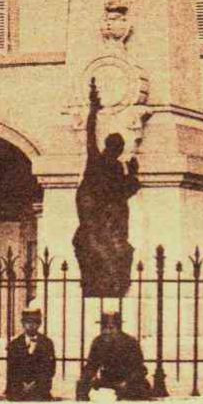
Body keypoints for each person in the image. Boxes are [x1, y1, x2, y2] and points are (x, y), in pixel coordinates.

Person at [73, 78, 141, 297]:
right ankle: (103, 283)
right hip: (97, 216)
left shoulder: (112, 165)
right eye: (115, 147)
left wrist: (132, 174)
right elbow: (90, 134)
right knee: (101, 249)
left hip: (109, 217)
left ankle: (110, 283)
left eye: (117, 148)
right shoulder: (98, 160)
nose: (116, 151)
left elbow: (125, 192)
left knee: (117, 250)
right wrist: (93, 110)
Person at [75, 311, 153, 401]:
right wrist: (86, 379)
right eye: (104, 327)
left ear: (118, 328)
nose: (107, 331)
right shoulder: (98, 342)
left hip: (129, 380)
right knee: (83, 387)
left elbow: (139, 369)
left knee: (135, 392)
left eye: (111, 327)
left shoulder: (130, 342)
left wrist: (126, 382)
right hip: (108, 380)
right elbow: (91, 365)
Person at [4, 308, 56, 401]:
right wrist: (22, 385)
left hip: (40, 389)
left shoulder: (47, 343)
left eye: (35, 322)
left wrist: (35, 384)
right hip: (18, 389)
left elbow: (50, 369)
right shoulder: (14, 344)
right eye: (28, 322)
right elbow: (11, 370)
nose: (31, 325)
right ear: (23, 324)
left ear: (39, 324)